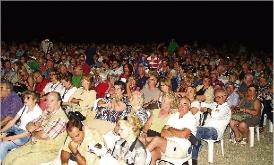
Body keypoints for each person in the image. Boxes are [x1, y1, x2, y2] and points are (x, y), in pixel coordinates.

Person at [3, 91, 69, 165]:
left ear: (59, 102)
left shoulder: (61, 119)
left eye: (52, 101)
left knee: (17, 162)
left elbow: (43, 135)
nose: (48, 103)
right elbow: (29, 124)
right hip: (33, 145)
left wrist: (33, 130)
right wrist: (36, 129)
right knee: (9, 157)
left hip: (46, 151)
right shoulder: (46, 112)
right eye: (47, 100)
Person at [147, 97, 196, 165]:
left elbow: (183, 134)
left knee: (156, 140)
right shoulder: (174, 116)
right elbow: (162, 132)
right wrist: (178, 132)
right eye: (179, 104)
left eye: (184, 104)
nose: (181, 106)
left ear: (189, 106)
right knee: (152, 154)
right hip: (166, 145)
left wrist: (170, 129)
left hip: (181, 148)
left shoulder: (191, 118)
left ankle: (140, 159)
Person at [0, 91, 42, 164]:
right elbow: (12, 121)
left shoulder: (38, 113)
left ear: (35, 100)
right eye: (24, 97)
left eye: (28, 98)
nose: (25, 100)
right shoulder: (25, 107)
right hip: (17, 129)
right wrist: (1, 131)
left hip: (25, 137)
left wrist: (9, 138)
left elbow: (27, 133)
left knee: (4, 144)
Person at [192, 88, 231, 163]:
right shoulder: (215, 104)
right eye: (217, 97)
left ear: (225, 96)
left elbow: (215, 115)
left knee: (197, 130)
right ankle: (196, 145)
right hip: (207, 129)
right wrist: (195, 102)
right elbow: (204, 104)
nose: (220, 98)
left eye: (222, 96)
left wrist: (208, 110)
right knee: (192, 128)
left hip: (216, 132)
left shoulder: (226, 108)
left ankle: (193, 157)